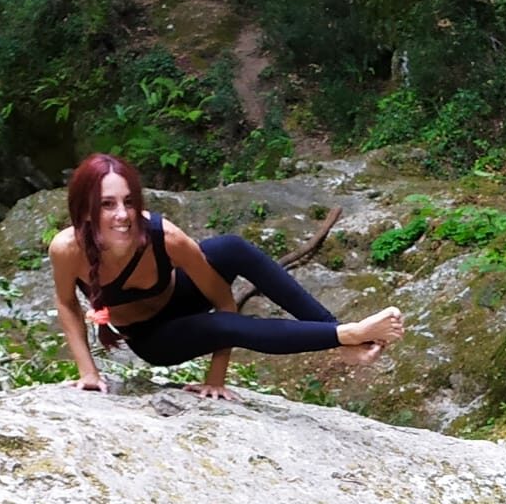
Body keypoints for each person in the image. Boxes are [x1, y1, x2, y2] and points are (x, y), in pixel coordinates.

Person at [49, 152, 404, 398]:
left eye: (129, 202)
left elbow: (224, 302)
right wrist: (88, 373)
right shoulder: (67, 249)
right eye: (107, 204)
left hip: (180, 297)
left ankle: (342, 339)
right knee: (218, 326)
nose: (123, 215)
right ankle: (345, 335)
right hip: (154, 338)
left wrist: (215, 378)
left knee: (231, 248)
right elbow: (67, 305)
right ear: (86, 209)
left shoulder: (165, 237)